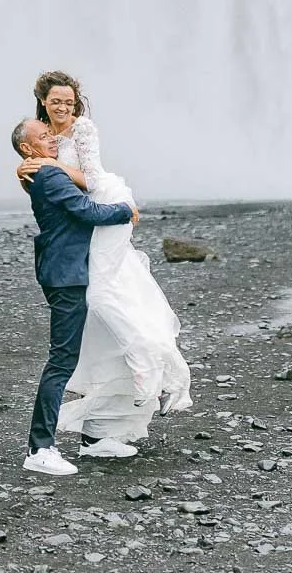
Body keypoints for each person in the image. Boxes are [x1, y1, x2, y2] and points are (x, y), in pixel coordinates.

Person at [17, 71, 192, 446]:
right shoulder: (39, 135)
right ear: (43, 102)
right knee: (93, 320)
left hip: (97, 203)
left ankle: (142, 371)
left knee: (107, 294)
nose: (62, 107)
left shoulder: (81, 131)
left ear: (76, 103)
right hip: (75, 229)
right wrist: (25, 168)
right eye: (55, 101)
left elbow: (92, 180)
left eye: (69, 101)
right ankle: (97, 428)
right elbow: (36, 174)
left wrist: (55, 167)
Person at [13, 116, 138, 477]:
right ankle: (39, 448)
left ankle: (94, 437)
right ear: (27, 148)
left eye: (52, 134)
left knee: (97, 352)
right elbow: (86, 212)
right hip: (66, 276)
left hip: (76, 273)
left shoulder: (44, 170)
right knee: (62, 361)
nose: (52, 140)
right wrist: (125, 211)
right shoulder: (48, 175)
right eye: (43, 137)